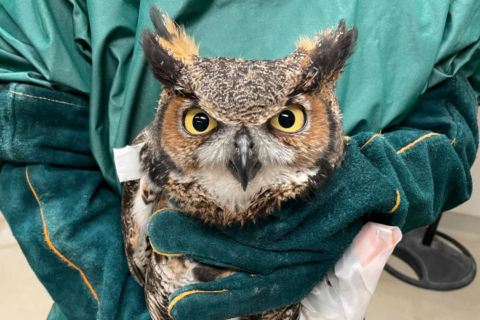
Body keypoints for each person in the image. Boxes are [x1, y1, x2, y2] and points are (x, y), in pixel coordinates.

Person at [0, 1, 479, 319]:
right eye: (201, 123)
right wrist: (122, 307)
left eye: (287, 119)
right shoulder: (149, 181)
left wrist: (385, 178)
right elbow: (31, 130)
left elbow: (453, 102)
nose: (243, 157)